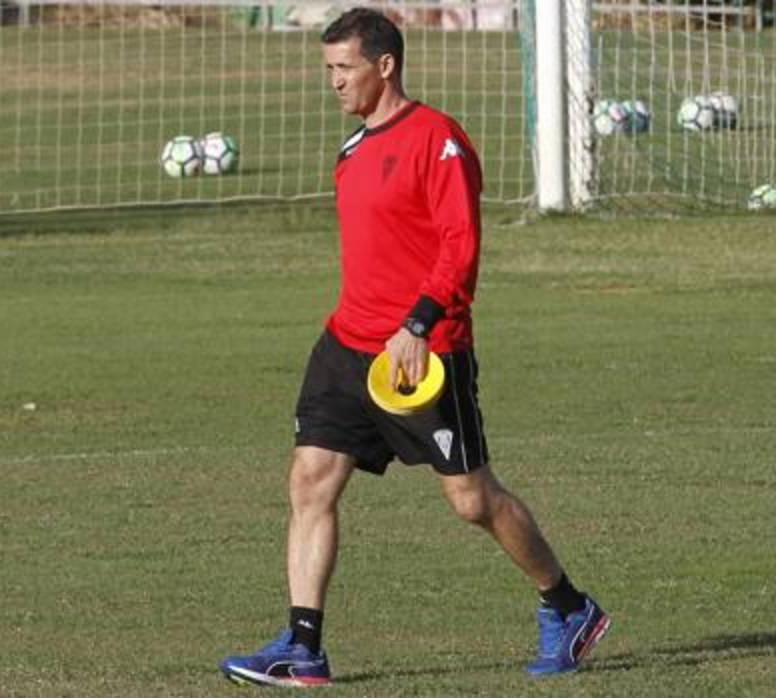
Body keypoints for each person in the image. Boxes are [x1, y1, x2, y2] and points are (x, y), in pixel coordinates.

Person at [218, 8, 610, 687]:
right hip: (347, 344)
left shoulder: (439, 141)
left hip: (422, 354)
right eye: (329, 70)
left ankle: (568, 607)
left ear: (386, 65)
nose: (334, 83)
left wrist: (419, 323)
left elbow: (461, 247)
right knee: (310, 480)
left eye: (345, 69)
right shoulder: (351, 150)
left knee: (471, 500)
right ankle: (303, 649)